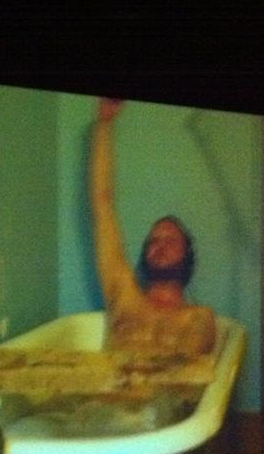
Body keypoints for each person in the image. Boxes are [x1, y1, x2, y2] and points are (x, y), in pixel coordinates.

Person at [90, 98, 216, 359]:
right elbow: (102, 204)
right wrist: (104, 124)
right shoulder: (122, 293)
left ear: (187, 254)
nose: (160, 245)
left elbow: (188, 372)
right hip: (107, 386)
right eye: (154, 240)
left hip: (163, 389)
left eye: (171, 240)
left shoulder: (198, 318)